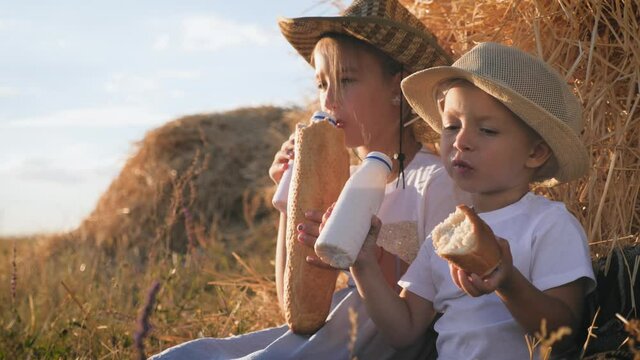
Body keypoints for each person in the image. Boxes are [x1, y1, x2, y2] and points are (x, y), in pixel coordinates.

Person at [151, 0, 468, 359]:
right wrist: (292, 195)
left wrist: (364, 254)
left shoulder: (436, 181)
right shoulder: (340, 184)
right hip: (332, 334)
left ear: (397, 86)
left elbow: (421, 321)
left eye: (346, 80)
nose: (329, 100)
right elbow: (296, 308)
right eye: (321, 84)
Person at [345, 42, 597, 360]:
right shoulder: (444, 236)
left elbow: (565, 334)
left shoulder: (549, 224)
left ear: (535, 152)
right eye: (451, 126)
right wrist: (362, 262)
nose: (460, 141)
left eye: (487, 130)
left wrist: (507, 281)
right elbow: (404, 330)